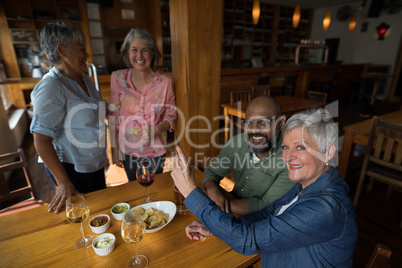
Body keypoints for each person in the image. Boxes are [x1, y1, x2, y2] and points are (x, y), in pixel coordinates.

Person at [171, 108, 358, 267]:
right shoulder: (309, 183)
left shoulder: (326, 207)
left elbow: (247, 240)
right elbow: (267, 214)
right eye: (285, 147)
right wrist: (215, 227)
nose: (289, 156)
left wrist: (189, 190)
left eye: (300, 147)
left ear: (328, 152)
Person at [30, 23, 109, 213]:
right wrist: (63, 182)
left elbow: (100, 110)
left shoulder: (84, 80)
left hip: (93, 162)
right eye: (82, 49)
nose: (86, 55)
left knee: (101, 211)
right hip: (72, 169)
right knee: (85, 216)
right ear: (61, 50)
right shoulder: (52, 87)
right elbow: (41, 140)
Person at [203, 96, 295, 215]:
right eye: (249, 123)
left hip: (260, 223)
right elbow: (212, 171)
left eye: (263, 123)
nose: (254, 130)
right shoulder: (237, 143)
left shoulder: (291, 160)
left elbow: (265, 206)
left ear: (281, 123)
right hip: (231, 209)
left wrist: (217, 204)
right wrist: (212, 190)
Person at [109, 28, 176, 182]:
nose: (139, 56)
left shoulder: (165, 83)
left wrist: (158, 128)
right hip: (128, 150)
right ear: (127, 53)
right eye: (134, 50)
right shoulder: (118, 78)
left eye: (144, 50)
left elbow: (171, 113)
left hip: (156, 150)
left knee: (154, 188)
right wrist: (114, 150)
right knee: (134, 187)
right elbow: (113, 116)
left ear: (152, 53)